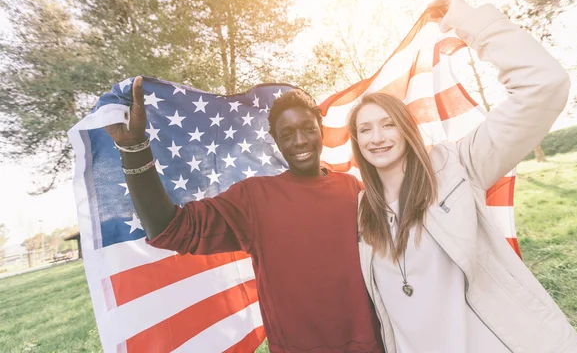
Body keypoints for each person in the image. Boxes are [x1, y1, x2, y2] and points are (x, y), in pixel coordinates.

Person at [348, 0, 577, 353]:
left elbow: (544, 85)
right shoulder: (362, 210)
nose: (377, 138)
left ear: (407, 129)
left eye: (387, 125)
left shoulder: (457, 166)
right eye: (365, 129)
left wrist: (469, 21)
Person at [105, 82, 384, 352]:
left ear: (320, 131)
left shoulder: (352, 188)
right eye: (287, 134)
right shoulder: (255, 198)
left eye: (308, 129)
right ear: (275, 140)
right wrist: (134, 148)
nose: (300, 141)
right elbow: (171, 229)